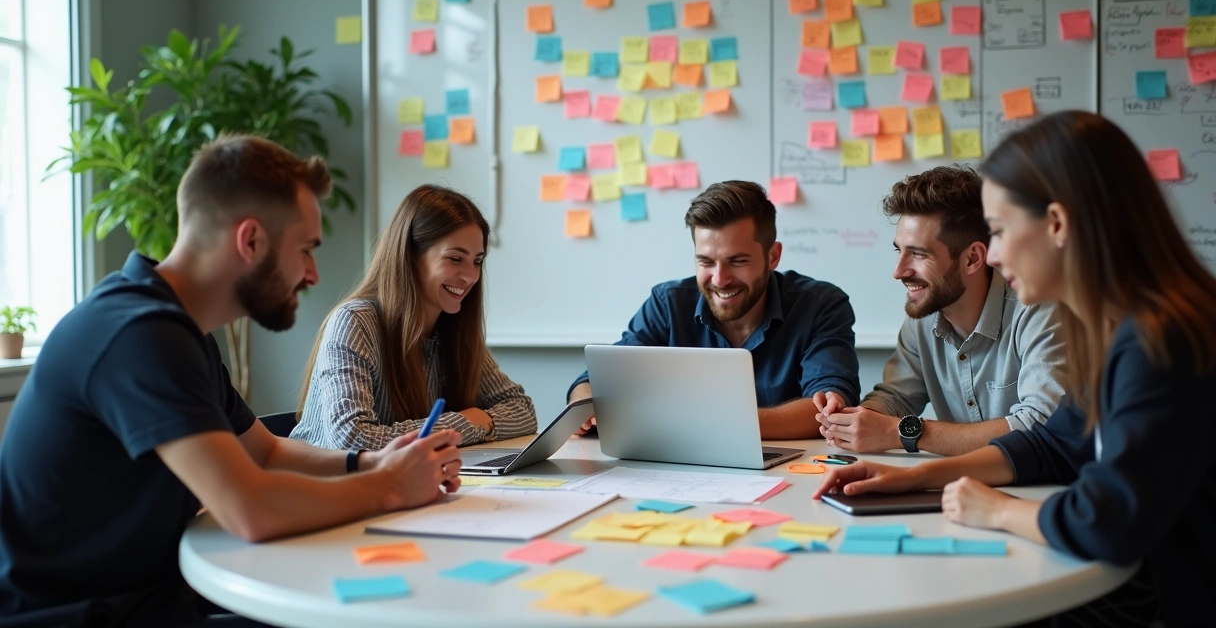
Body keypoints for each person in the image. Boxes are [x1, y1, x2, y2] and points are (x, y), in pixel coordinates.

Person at [0, 136, 463, 626]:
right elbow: (252, 510)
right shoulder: (137, 334)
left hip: (151, 596)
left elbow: (266, 452)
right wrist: (391, 487)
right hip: (75, 616)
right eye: (305, 250)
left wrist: (370, 462)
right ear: (251, 240)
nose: (313, 274)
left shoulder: (181, 330)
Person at [813, 111, 1216, 626]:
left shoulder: (1159, 340)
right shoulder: (1117, 328)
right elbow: (1053, 442)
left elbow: (1106, 519)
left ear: (1056, 225)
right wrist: (919, 479)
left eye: (1000, 232)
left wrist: (996, 510)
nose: (995, 255)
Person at [569, 180, 860, 440]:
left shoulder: (821, 305)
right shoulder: (668, 303)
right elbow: (595, 381)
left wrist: (701, 423)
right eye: (706, 262)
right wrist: (586, 405)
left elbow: (828, 409)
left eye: (737, 261)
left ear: (773, 256)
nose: (720, 280)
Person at [814, 166, 1067, 456]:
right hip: (960, 486)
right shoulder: (925, 314)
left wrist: (902, 432)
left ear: (972, 258)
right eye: (899, 251)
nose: (898, 272)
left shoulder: (1039, 309)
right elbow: (896, 396)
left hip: (1043, 491)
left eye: (919, 254)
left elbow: (1042, 426)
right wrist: (851, 419)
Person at [291, 184, 537, 450]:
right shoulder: (354, 322)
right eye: (455, 259)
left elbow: (523, 411)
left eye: (477, 261)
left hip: (406, 482)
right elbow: (353, 438)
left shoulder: (452, 327)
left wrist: (485, 420)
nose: (470, 276)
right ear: (409, 256)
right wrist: (467, 423)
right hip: (325, 487)